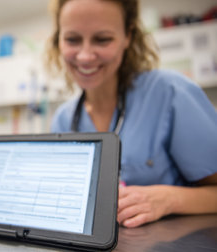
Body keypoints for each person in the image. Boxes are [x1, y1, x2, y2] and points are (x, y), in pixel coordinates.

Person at [45, 0, 217, 228]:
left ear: (128, 35)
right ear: (58, 40)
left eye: (102, 39)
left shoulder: (171, 93)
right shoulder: (63, 119)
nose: (85, 56)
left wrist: (169, 199)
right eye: (72, 39)